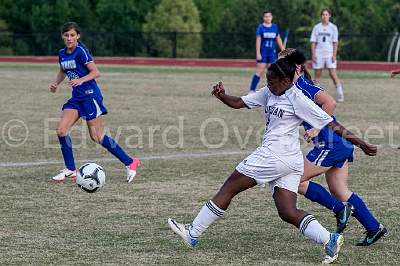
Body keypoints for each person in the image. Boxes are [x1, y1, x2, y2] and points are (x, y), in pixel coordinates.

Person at [168, 51, 377, 264]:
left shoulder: (298, 98)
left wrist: (360, 143)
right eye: (267, 81)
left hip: (274, 156)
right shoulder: (270, 91)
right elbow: (240, 102)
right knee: (287, 211)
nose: (269, 85)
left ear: (286, 80)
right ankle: (330, 239)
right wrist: (223, 96)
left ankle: (193, 232)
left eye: (273, 82)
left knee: (230, 187)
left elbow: (331, 123)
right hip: (289, 161)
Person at [278, 48, 387, 247]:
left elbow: (330, 102)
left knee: (295, 180)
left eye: (282, 64)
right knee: (340, 190)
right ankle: (374, 227)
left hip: (330, 144)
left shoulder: (303, 85)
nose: (278, 68)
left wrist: (316, 129)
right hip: (338, 143)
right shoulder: (292, 88)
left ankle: (339, 209)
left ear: (296, 67)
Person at [50, 22, 140, 183]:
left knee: (97, 136)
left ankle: (130, 162)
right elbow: (63, 70)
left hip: (90, 96)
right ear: (62, 36)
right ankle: (71, 170)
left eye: (72, 35)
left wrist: (80, 80)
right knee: (61, 130)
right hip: (76, 98)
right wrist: (56, 83)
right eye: (66, 35)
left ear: (78, 36)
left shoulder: (81, 52)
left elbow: (96, 72)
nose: (69, 38)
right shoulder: (62, 53)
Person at [310, 8, 344, 102]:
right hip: (319, 53)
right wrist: (313, 55)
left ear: (329, 16)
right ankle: (315, 94)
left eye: (326, 14)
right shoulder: (317, 27)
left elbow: (335, 43)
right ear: (321, 16)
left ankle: (340, 93)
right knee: (317, 75)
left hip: (329, 54)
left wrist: (334, 55)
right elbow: (313, 42)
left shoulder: (333, 27)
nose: (325, 16)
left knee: (332, 73)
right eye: (323, 14)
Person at [248, 10, 284, 93]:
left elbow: (278, 38)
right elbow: (258, 40)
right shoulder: (261, 27)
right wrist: (258, 53)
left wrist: (283, 50)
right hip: (263, 52)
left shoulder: (275, 27)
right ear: (263, 18)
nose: (268, 18)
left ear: (272, 17)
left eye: (269, 16)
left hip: (272, 53)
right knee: (259, 71)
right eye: (266, 16)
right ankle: (252, 90)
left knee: (272, 72)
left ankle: (271, 90)